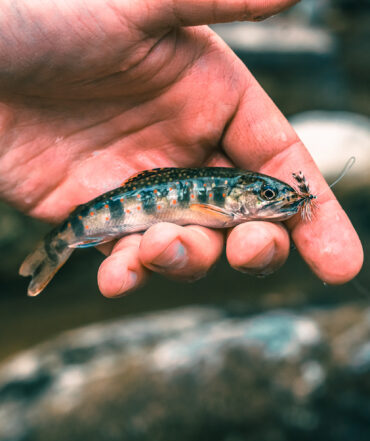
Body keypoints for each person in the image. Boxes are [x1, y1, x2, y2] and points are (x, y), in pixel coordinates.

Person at [0, 0, 363, 297]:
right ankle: (57, 245)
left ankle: (57, 246)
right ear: (238, 197)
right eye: (268, 192)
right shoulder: (221, 204)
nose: (276, 198)